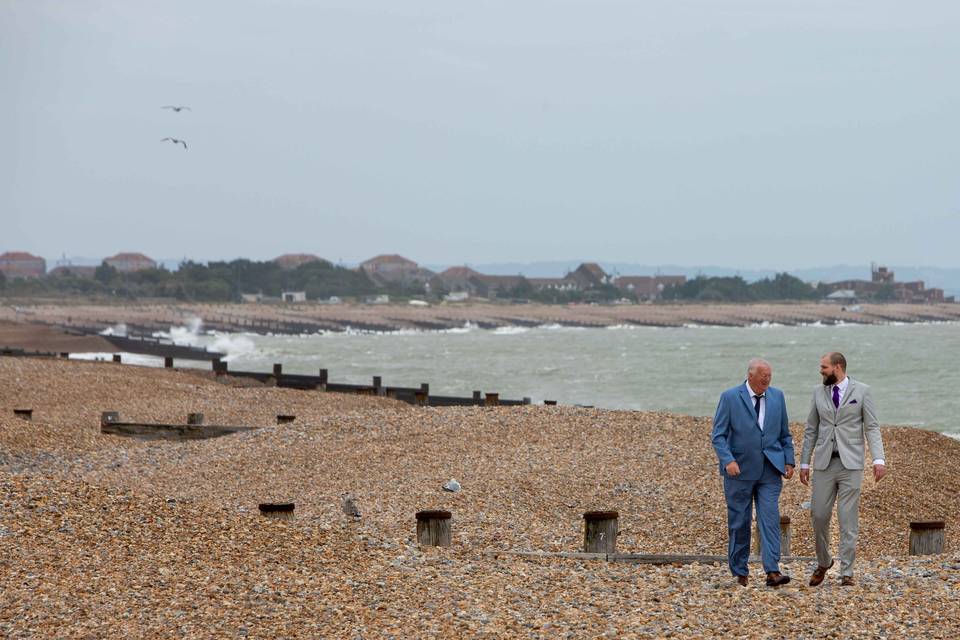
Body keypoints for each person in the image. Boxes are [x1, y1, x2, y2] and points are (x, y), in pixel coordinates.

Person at [799, 352, 885, 587]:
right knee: (818, 515)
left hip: (852, 465)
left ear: (838, 367)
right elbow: (811, 430)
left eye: (824, 367)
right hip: (824, 464)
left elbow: (872, 427)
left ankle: (847, 571)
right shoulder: (818, 392)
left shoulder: (863, 391)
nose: (821, 371)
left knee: (848, 519)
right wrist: (804, 462)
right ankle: (824, 561)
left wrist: (879, 459)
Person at [711, 358, 795, 587]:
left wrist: (789, 460)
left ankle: (773, 571)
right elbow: (718, 435)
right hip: (739, 471)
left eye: (769, 376)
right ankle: (740, 571)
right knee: (740, 522)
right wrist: (728, 460)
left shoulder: (777, 396)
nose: (767, 380)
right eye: (763, 376)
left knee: (769, 518)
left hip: (770, 469)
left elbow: (784, 434)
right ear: (750, 376)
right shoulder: (730, 397)